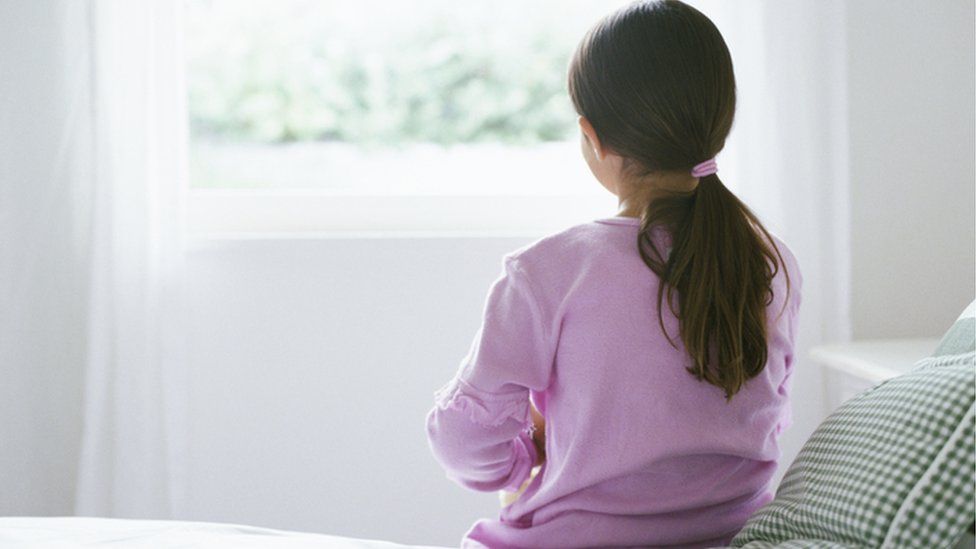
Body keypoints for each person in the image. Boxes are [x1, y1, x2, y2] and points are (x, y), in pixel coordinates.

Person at [424, 1, 802, 547]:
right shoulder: (772, 263)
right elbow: (766, 414)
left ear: (592, 136)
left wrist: (524, 456)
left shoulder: (548, 272)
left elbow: (465, 443)